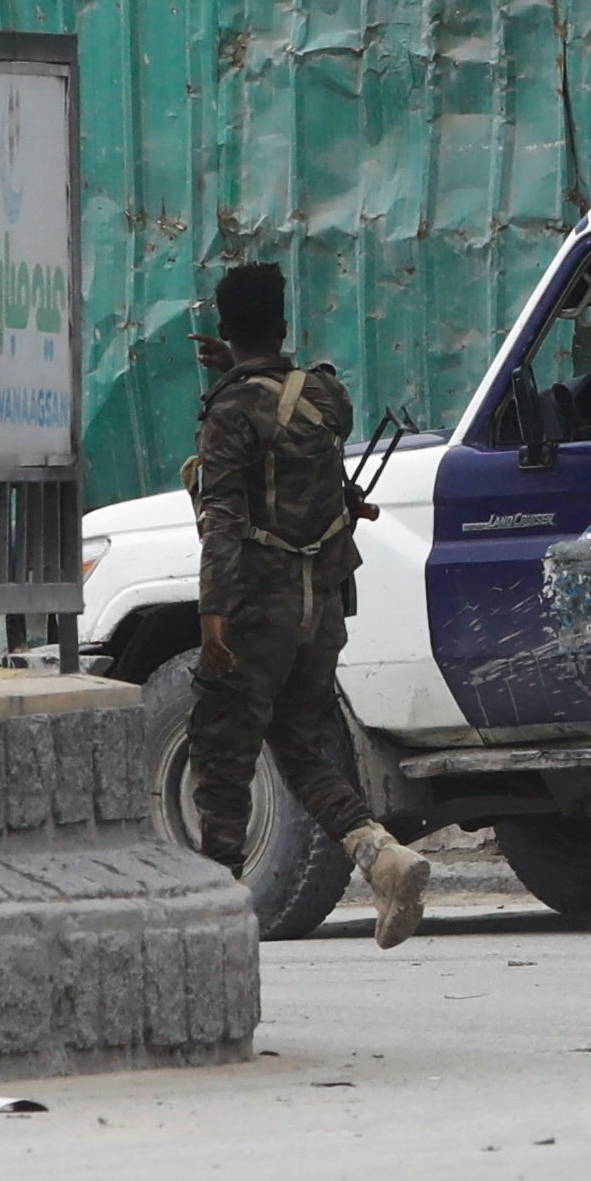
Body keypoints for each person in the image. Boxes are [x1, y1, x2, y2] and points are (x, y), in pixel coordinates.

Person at [185, 260, 430, 947]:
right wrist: (235, 366)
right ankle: (381, 854)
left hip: (257, 607)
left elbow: (224, 518)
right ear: (284, 324)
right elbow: (284, 434)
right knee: (301, 747)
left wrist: (211, 617)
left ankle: (218, 912)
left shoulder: (231, 409)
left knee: (220, 747)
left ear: (227, 330)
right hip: (320, 607)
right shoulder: (325, 397)